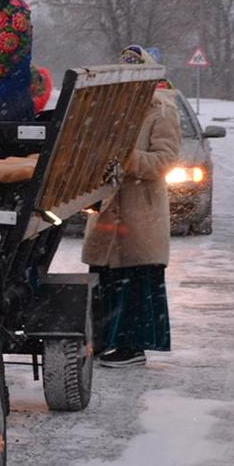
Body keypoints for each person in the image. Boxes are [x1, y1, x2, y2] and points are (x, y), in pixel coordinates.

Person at [84, 45, 181, 367]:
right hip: (109, 209)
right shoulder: (111, 108)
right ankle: (102, 341)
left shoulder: (162, 111)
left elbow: (165, 160)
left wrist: (127, 159)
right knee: (104, 278)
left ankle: (132, 346)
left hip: (141, 211)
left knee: (136, 280)